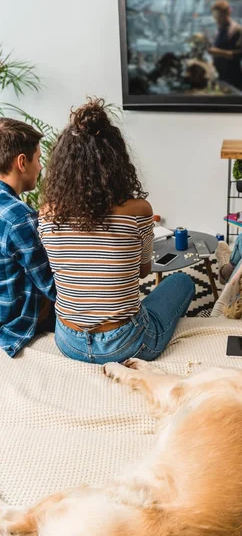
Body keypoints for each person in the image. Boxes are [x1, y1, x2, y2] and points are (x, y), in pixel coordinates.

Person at [39, 98, 194, 364]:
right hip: (125, 344)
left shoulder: (47, 214)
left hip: (68, 341)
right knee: (182, 282)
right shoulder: (138, 211)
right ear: (116, 162)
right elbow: (144, 271)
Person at [0, 118, 56, 357]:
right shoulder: (19, 218)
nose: (41, 167)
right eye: (39, 158)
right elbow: (53, 289)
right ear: (22, 162)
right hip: (11, 323)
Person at [208, 0, 242, 92]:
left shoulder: (237, 30)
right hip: (220, 76)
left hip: (233, 78)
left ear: (227, 14)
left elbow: (240, 55)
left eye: (219, 17)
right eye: (215, 17)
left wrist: (217, 52)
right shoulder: (219, 30)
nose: (216, 20)